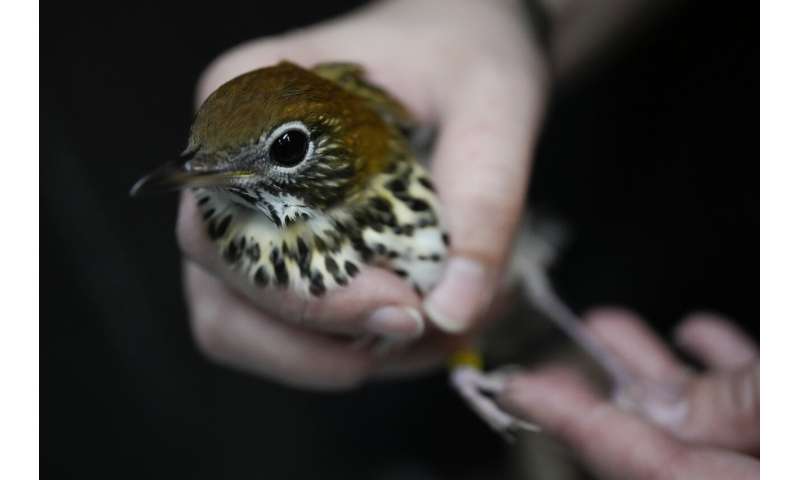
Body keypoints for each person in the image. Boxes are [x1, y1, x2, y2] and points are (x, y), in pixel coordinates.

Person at [175, 0, 759, 477]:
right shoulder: (230, 222)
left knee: (531, 285)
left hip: (666, 184)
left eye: (281, 151)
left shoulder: (372, 145)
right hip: (409, 400)